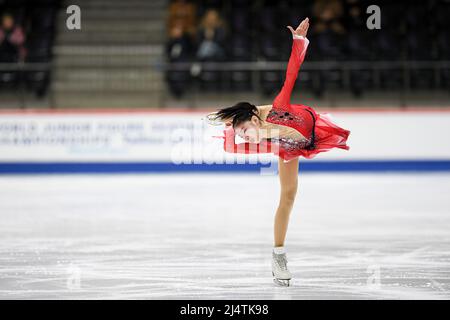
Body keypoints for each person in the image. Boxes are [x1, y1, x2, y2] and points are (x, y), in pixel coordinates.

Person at [206, 18, 350, 286]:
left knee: (283, 185)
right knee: (287, 196)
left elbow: (291, 73)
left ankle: (230, 120)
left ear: (255, 120)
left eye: (244, 129)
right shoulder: (255, 131)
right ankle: (278, 254)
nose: (244, 134)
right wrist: (238, 129)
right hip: (289, 145)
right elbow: (249, 135)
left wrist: (298, 42)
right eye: (241, 132)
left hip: (307, 127)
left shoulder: (278, 108)